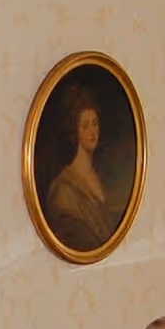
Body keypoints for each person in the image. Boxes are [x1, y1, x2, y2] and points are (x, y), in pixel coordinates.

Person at [43, 89, 121, 252]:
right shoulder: (63, 187)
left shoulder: (99, 177)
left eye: (95, 123)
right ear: (75, 131)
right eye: (85, 125)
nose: (92, 131)